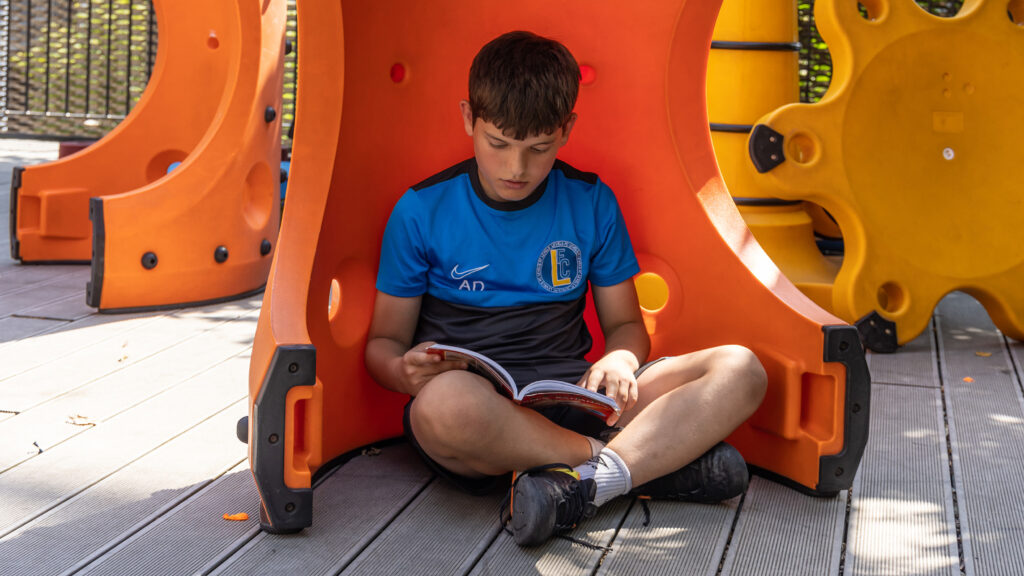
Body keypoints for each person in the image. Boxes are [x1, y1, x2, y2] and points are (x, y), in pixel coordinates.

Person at [364, 30, 767, 547]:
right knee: (444, 408)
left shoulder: (590, 201)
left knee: (740, 368)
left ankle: (580, 485)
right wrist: (403, 370)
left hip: (577, 395)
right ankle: (628, 467)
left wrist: (620, 360)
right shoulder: (421, 211)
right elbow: (383, 347)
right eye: (498, 144)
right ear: (469, 118)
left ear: (566, 129)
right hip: (482, 414)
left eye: (539, 148)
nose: (517, 168)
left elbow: (625, 326)